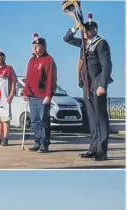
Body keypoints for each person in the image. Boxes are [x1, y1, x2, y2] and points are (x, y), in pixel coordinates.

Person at [63, 14, 113, 161]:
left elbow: (106, 65)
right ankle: (93, 148)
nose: (86, 32)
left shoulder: (100, 43)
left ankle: (102, 151)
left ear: (95, 30)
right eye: (84, 29)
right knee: (92, 119)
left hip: (97, 84)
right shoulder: (84, 43)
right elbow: (67, 39)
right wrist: (76, 26)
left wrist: (102, 85)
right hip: (86, 85)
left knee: (101, 118)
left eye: (88, 29)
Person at [22, 33, 57, 153]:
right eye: (34, 46)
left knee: (43, 120)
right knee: (35, 120)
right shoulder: (31, 60)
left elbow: (51, 79)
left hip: (42, 96)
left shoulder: (48, 60)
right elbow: (28, 77)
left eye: (37, 46)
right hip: (32, 96)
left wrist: (49, 94)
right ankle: (37, 141)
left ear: (43, 46)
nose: (35, 48)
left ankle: (44, 143)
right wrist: (25, 92)